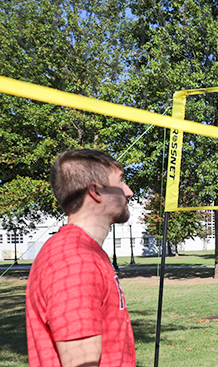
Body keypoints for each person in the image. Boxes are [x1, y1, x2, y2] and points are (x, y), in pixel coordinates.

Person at [26, 149, 136, 367]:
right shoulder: (74, 260)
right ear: (96, 191)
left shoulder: (87, 251)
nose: (129, 192)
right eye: (121, 182)